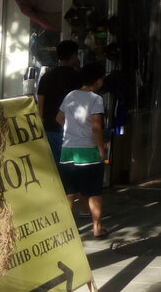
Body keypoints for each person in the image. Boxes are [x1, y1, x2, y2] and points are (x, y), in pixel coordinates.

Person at [56, 62, 108, 239]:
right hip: (87, 150)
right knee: (94, 191)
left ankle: (69, 229)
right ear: (98, 80)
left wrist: (72, 129)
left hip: (67, 149)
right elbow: (96, 127)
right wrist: (101, 149)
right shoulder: (96, 99)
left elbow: (59, 118)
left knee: (70, 192)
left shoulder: (70, 95)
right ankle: (97, 228)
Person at [36, 40, 82, 162]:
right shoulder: (78, 78)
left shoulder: (46, 77)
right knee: (69, 166)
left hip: (49, 129)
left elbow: (40, 107)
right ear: (73, 56)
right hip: (72, 131)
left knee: (52, 166)